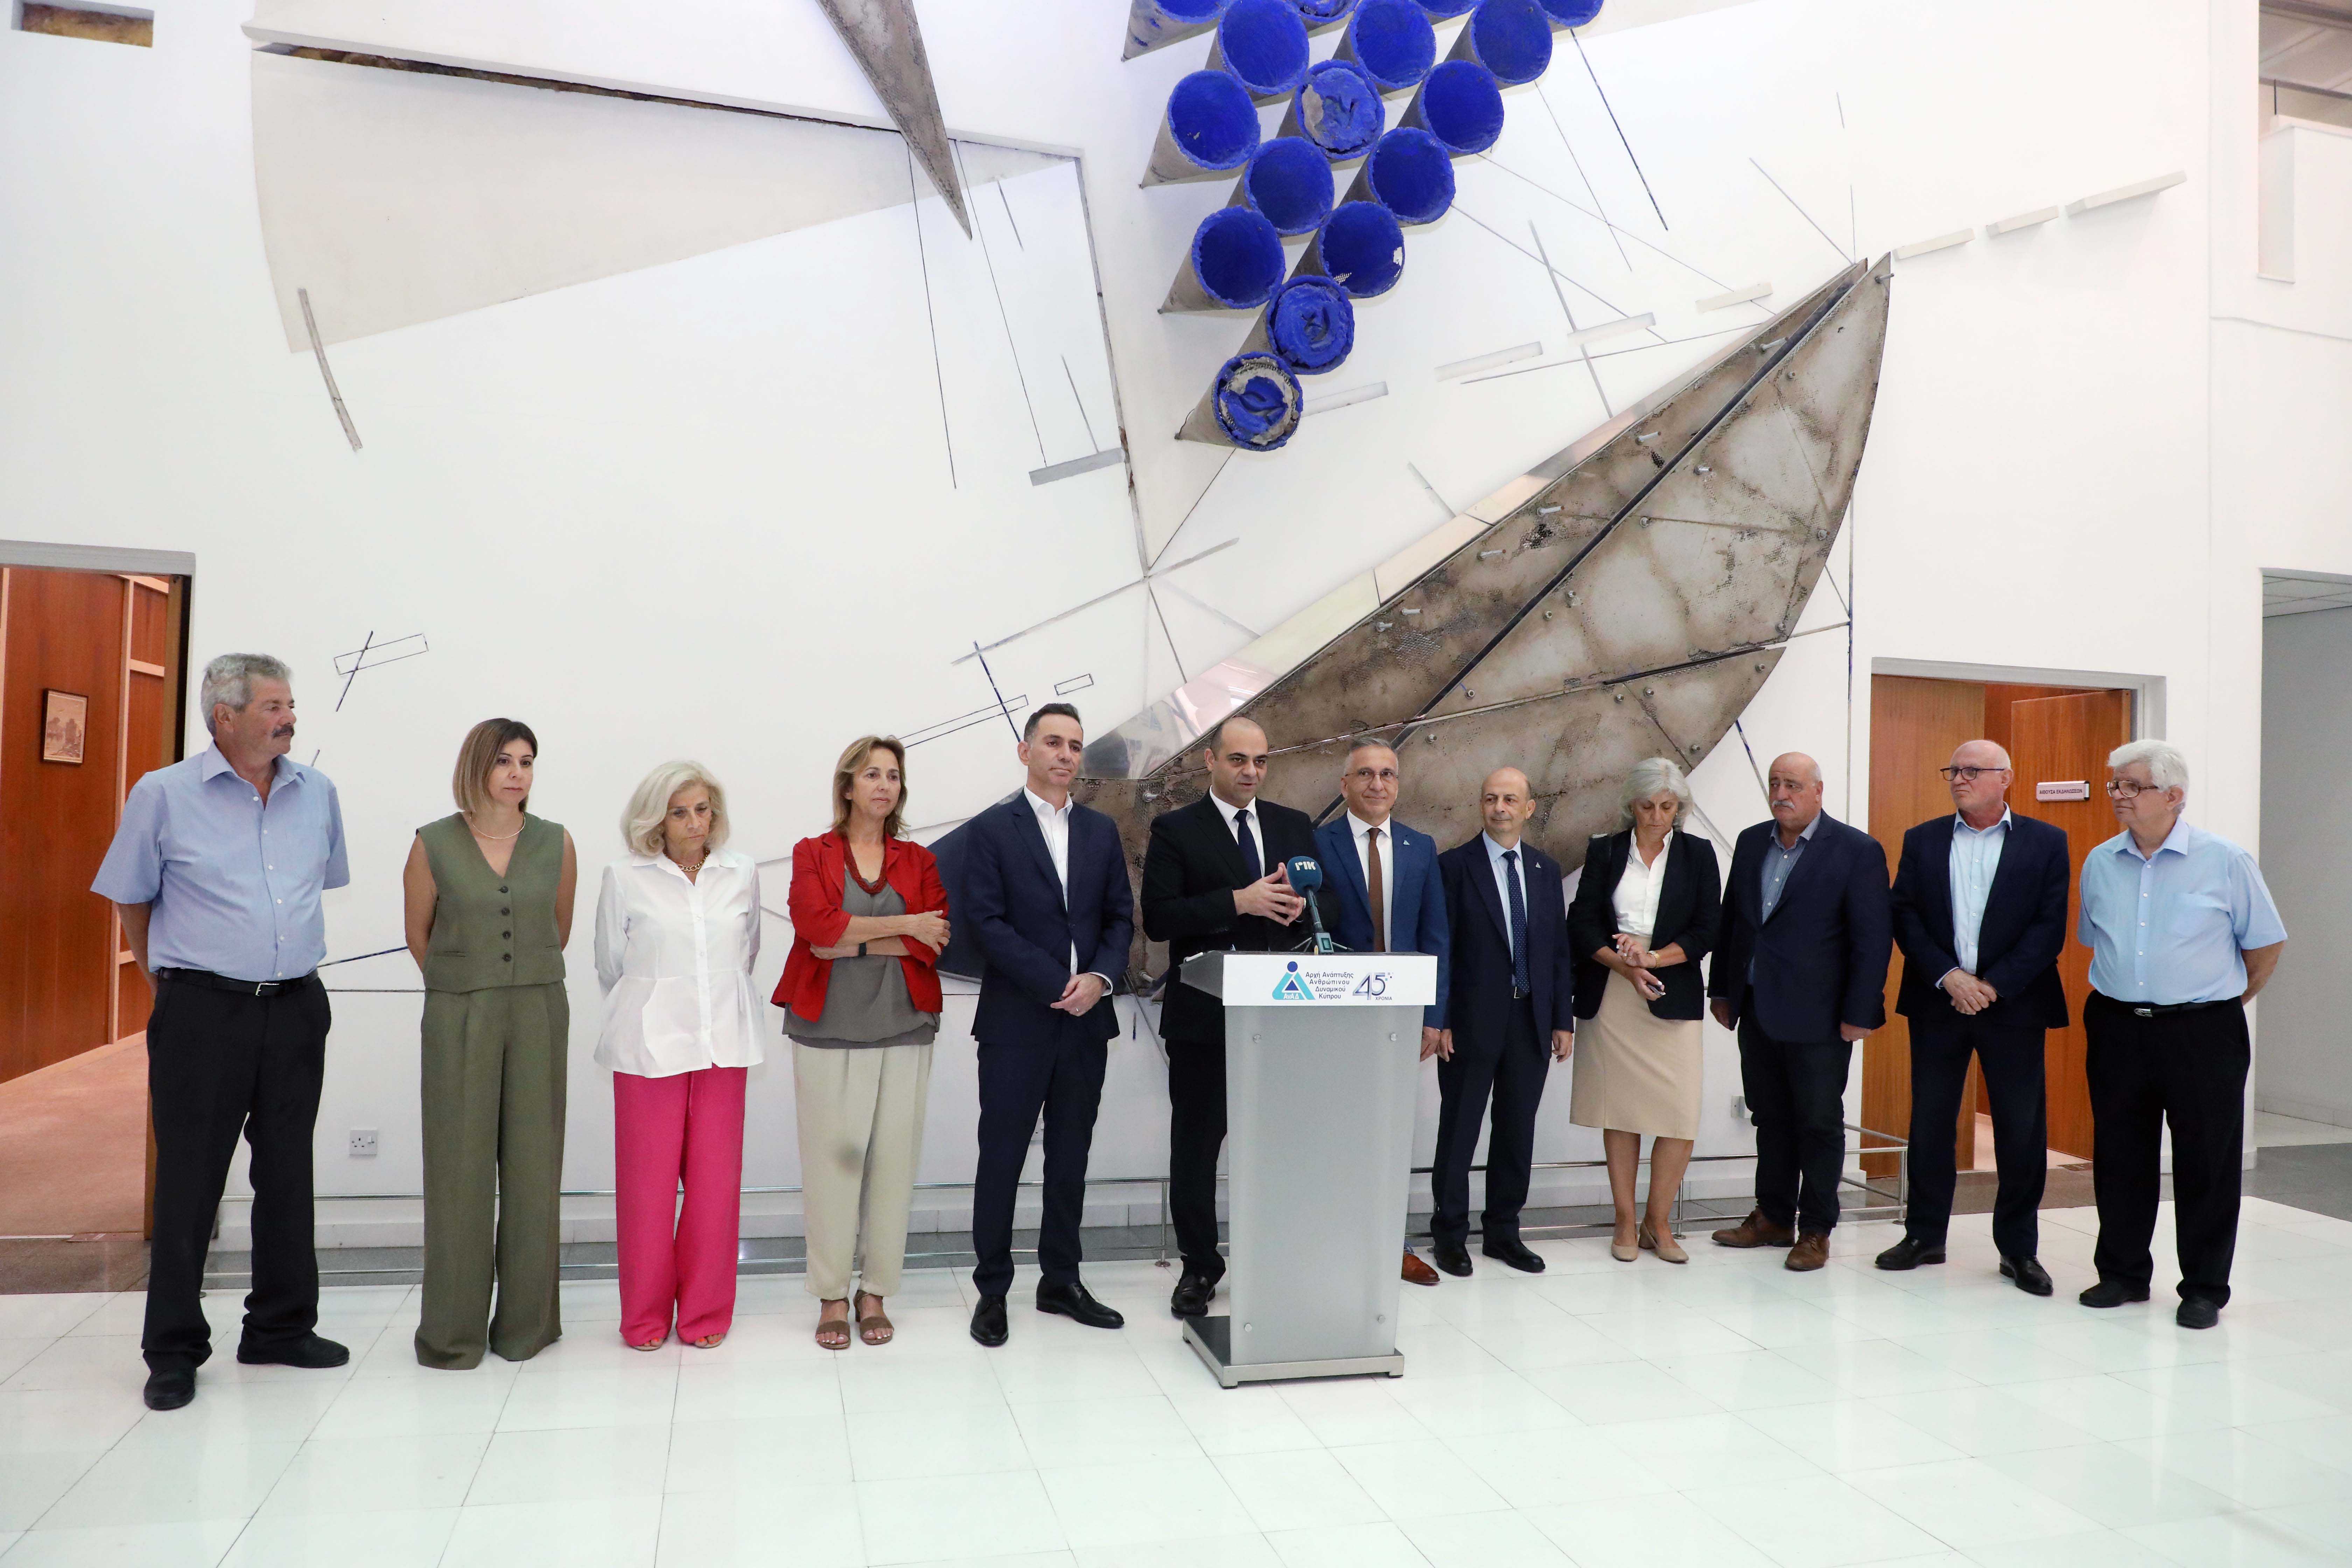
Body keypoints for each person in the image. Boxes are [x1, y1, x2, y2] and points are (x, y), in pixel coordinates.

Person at [93, 654, 350, 1412]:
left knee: (288, 1173)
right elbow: (131, 897)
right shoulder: (163, 794)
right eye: (273, 706)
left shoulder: (318, 792)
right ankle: (173, 1350)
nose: (290, 718)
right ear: (224, 717)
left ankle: (280, 1327)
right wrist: (168, 985)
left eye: (291, 705)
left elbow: (316, 885)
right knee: (190, 1181)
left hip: (296, 1006)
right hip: (203, 1012)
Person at [2076, 740, 2286, 1329]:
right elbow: (2095, 939)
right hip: (2118, 1025)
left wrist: (2223, 1000)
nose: (2119, 795)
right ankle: (2122, 1273)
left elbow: (2266, 944)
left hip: (2202, 1030)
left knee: (2207, 1161)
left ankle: (2204, 1287)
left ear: (2173, 796)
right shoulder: (2100, 862)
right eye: (2115, 785)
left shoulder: (2225, 860)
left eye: (2132, 786)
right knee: (2120, 1155)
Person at [403, 719, 579, 1368]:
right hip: (459, 1013)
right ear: (477, 765)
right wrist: (467, 984)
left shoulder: (557, 842)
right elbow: (419, 935)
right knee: (459, 1171)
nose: (517, 773)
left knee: (535, 1168)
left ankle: (526, 1328)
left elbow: (558, 929)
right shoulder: (433, 843)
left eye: (527, 761)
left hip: (538, 1010)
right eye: (504, 760)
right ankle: (452, 1336)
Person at [961, 703, 1135, 1346]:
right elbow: (986, 922)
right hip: (1016, 1023)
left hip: (1087, 1022)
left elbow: (1120, 918)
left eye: (1075, 746)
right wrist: (1057, 982)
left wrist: (1100, 979)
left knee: (1070, 1158)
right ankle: (992, 1291)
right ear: (1025, 751)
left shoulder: (1100, 830)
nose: (1066, 755)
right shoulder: (992, 828)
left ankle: (1061, 1281)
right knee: (1002, 1158)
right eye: (1053, 742)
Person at [1878, 740, 2070, 1295]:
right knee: (1931, 1122)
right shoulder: (1923, 839)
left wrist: (1992, 985)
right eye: (1954, 770)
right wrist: (1950, 977)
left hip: (2015, 1004)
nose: (1959, 779)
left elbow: (2048, 927)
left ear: (2005, 778)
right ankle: (1924, 1235)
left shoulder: (2046, 841)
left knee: (2020, 1128)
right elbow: (1904, 915)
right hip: (1939, 1000)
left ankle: (2019, 1249)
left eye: (1972, 770)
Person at [776, 736, 948, 1350]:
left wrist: (857, 940)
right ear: (847, 786)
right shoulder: (812, 852)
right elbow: (817, 929)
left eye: (893, 776)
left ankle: (874, 1292)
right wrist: (905, 925)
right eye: (872, 774)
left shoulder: (919, 859)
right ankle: (831, 1295)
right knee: (831, 1168)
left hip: (905, 1024)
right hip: (827, 1028)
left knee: (894, 1166)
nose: (884, 785)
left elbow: (936, 940)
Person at [1140, 714, 1315, 1318]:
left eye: (1261, 761)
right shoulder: (1175, 829)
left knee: (1282, 1148)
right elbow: (1160, 918)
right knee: (1196, 1150)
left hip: (1283, 1019)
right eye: (1239, 760)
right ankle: (1200, 1267)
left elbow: (1328, 903)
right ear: (1210, 761)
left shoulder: (1293, 825)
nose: (1251, 772)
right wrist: (1239, 902)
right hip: (1204, 1020)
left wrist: (1300, 908)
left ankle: (1276, 1260)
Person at [594, 762, 761, 1352]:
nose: (695, 823)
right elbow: (611, 965)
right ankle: (643, 1319)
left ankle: (705, 1312)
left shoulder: (741, 873)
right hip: (648, 1047)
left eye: (703, 809)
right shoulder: (625, 876)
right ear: (656, 820)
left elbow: (747, 953)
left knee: (716, 1188)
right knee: (647, 1189)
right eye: (680, 812)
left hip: (724, 1043)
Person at [1708, 752, 1891, 1271]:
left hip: (1821, 1017)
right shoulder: (1752, 842)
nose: (1781, 794)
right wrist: (1722, 990)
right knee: (1770, 1117)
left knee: (1818, 1122)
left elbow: (1873, 939)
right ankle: (1772, 1217)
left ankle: (1815, 1230)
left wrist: (1861, 1011)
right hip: (1757, 1009)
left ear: (1818, 791)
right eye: (1775, 784)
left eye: (1792, 785)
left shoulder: (1856, 850)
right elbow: (1733, 921)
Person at [1566, 758, 1720, 1265]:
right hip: (1614, 985)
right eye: (1648, 806)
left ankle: (1659, 1222)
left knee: (1679, 1114)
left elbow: (1707, 929)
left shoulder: (1698, 854)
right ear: (1631, 805)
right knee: (1622, 1110)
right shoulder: (1606, 850)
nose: (1657, 817)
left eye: (1668, 807)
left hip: (1670, 981)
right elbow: (1582, 922)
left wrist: (1651, 960)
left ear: (1680, 809)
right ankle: (1625, 1221)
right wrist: (1625, 966)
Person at [1310, 738, 1451, 1287]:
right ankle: (1330, 1242)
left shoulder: (1421, 847)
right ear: (1345, 785)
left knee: (1390, 1133)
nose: (1377, 784)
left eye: (1387, 774)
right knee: (1332, 1130)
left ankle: (1394, 1245)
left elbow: (1436, 937)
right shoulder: (1317, 843)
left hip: (1400, 1015)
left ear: (1398, 784)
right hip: (1334, 1014)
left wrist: (1434, 1016)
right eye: (1365, 774)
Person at [1431, 768, 1575, 1276]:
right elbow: (1443, 948)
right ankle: (1450, 1236)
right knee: (1460, 1130)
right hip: (1469, 1023)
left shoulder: (1544, 869)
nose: (1500, 808)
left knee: (1517, 1131)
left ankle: (1503, 1234)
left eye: (1511, 800)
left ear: (1529, 808)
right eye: (1491, 798)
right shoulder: (1454, 866)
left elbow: (1557, 951)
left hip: (1530, 1020)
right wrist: (1442, 1019)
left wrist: (1562, 1019)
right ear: (1481, 805)